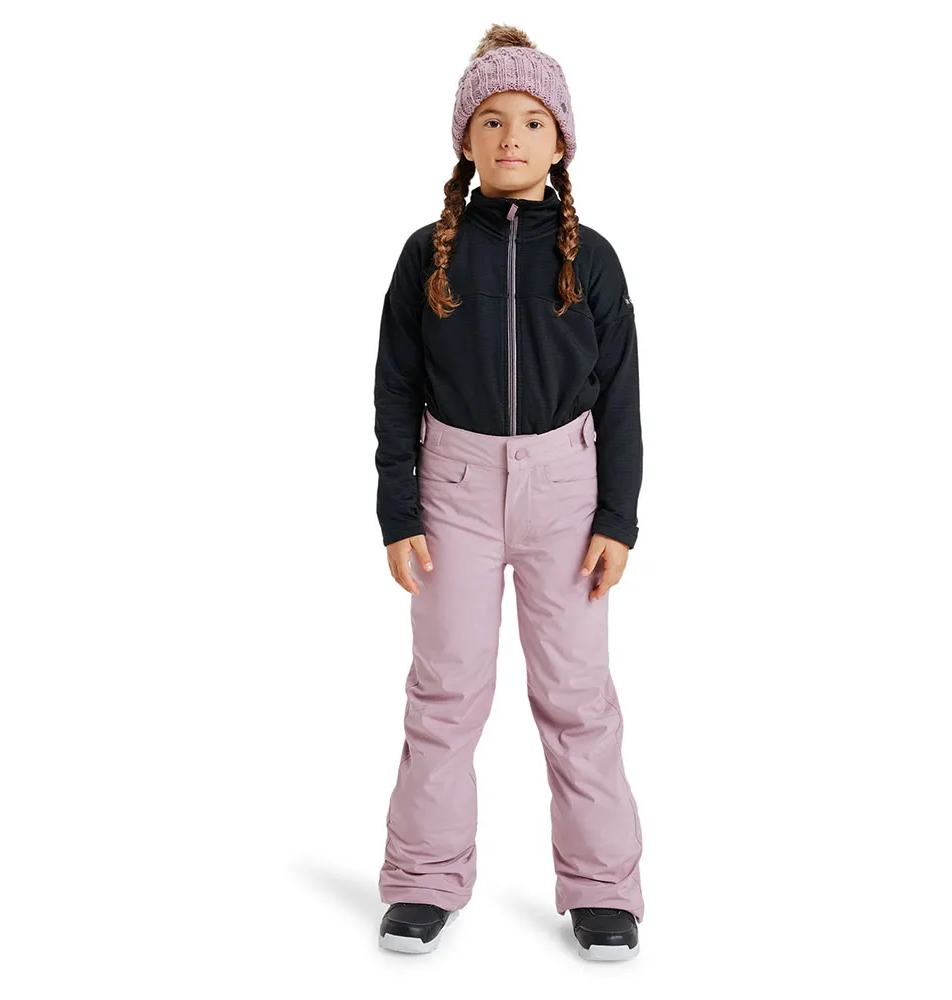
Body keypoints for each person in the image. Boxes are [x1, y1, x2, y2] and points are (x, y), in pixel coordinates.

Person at [372, 24, 645, 961]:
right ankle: (422, 879)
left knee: (578, 696)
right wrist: (399, 509)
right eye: (491, 120)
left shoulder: (594, 259)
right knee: (445, 690)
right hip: (452, 488)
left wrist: (617, 518)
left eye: (532, 120)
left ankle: (604, 888)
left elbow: (621, 395)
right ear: (466, 139)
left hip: (566, 492)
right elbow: (396, 385)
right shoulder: (427, 256)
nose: (512, 137)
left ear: (561, 140)